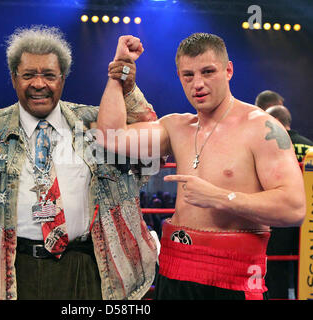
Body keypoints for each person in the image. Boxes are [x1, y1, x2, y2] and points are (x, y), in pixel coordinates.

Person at [0, 26, 158, 300]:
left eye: (49, 75)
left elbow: (152, 150)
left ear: (63, 78)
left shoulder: (96, 123)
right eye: (28, 75)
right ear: (14, 78)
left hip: (89, 267)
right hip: (12, 274)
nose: (39, 84)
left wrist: (127, 86)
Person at [97, 32, 306, 300]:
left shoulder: (261, 127)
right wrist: (119, 73)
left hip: (232, 280)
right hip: (174, 273)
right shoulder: (177, 127)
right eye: (188, 75)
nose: (198, 84)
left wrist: (220, 197)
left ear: (228, 70)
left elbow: (293, 207)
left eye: (208, 72)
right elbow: (110, 137)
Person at [264, 104, 312, 299]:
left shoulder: (270, 147)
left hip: (281, 215)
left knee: (276, 267)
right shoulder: (309, 146)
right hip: (309, 219)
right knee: (307, 264)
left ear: (272, 123)